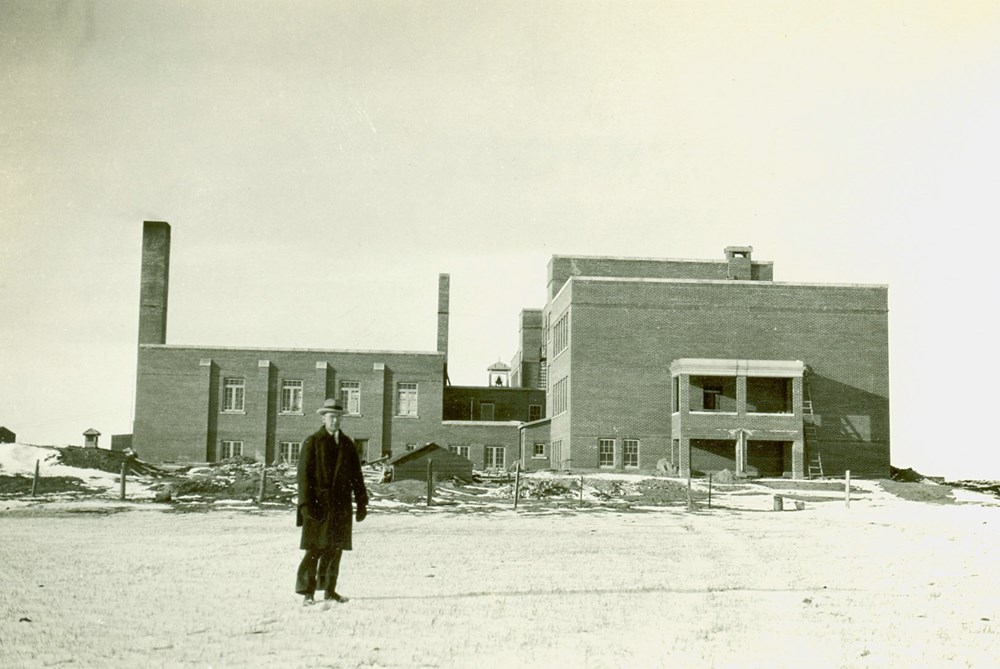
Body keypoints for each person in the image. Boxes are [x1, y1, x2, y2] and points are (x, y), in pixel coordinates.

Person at [295, 398, 369, 605]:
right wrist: (305, 505)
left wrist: (362, 503)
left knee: (335, 549)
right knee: (314, 549)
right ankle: (307, 592)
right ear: (323, 418)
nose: (334, 421)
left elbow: (357, 476)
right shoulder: (312, 442)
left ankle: (329, 590)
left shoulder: (347, 444)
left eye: (338, 417)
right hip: (317, 506)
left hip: (341, 506)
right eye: (331, 417)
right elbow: (303, 477)